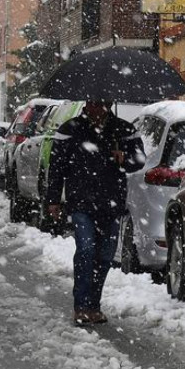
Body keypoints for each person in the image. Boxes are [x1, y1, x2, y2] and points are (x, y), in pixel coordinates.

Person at [46, 101, 145, 326]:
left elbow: (139, 160)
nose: (97, 108)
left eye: (102, 103)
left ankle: (94, 305)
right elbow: (57, 167)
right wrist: (53, 200)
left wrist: (125, 159)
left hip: (111, 204)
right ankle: (80, 306)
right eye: (93, 103)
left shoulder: (124, 130)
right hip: (80, 202)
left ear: (109, 104)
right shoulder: (69, 130)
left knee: (105, 257)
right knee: (86, 250)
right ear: (86, 103)